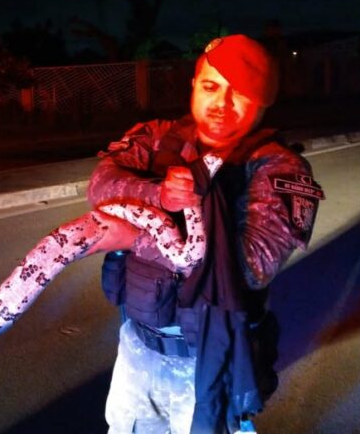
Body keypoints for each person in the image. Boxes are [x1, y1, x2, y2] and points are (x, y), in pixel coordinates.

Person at [88, 35, 324, 434]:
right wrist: (158, 195)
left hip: (211, 363)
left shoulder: (280, 168)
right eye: (211, 86)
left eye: (241, 94)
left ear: (263, 103)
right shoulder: (156, 137)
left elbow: (251, 267)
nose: (221, 104)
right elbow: (101, 185)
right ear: (194, 85)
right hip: (137, 352)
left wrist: (136, 236)